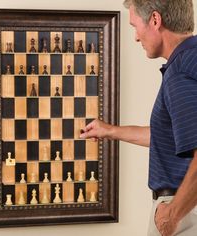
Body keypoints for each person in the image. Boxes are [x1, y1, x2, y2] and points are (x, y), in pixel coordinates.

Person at [80, 0, 197, 235]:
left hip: (185, 209)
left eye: (135, 26)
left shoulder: (180, 72)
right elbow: (174, 137)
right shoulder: (191, 60)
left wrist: (172, 215)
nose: (135, 37)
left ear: (155, 20)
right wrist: (110, 131)